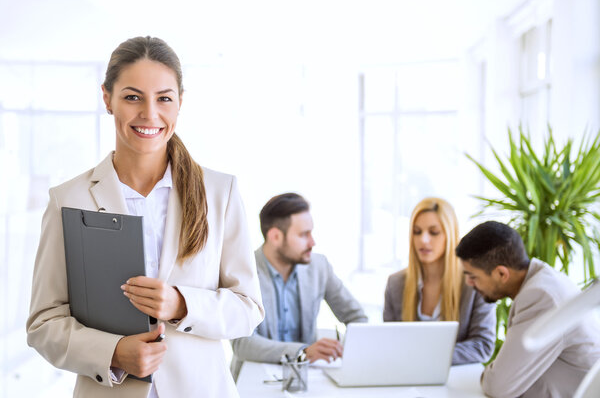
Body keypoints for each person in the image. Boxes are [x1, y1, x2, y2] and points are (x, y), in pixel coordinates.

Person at [26, 36, 264, 398]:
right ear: (107, 99)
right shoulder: (68, 200)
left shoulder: (221, 193)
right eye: (132, 97)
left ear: (180, 103)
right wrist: (114, 353)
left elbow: (248, 309)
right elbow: (44, 324)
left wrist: (182, 304)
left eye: (164, 98)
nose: (150, 114)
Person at [230, 193, 368, 379]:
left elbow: (357, 318)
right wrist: (303, 351)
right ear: (275, 236)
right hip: (254, 379)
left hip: (304, 380)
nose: (313, 242)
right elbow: (242, 343)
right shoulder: (243, 271)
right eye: (304, 234)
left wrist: (347, 348)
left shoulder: (319, 267)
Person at [456, 220, 600, 397]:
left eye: (473, 276)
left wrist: (491, 373)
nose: (469, 283)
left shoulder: (541, 296)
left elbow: (497, 387)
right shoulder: (542, 280)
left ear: (502, 273)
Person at [383, 197, 496, 365]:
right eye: (417, 231)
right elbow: (388, 342)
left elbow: (483, 345)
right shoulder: (396, 283)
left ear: (450, 235)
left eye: (434, 232)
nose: (424, 240)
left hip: (456, 382)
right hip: (407, 381)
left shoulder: (475, 284)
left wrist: (428, 356)